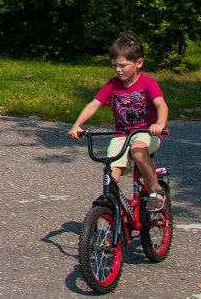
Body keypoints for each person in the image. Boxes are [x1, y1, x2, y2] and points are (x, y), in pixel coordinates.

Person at [68, 34, 170, 211]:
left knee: (138, 152)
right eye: (114, 65)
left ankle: (156, 190)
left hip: (147, 133)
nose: (118, 69)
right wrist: (77, 125)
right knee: (111, 169)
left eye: (123, 65)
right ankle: (113, 216)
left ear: (138, 63)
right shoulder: (112, 85)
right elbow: (93, 105)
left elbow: (161, 104)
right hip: (121, 135)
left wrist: (159, 124)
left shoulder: (147, 82)